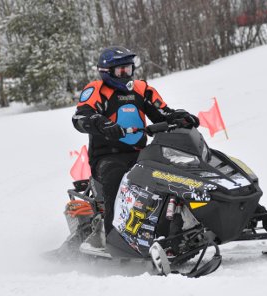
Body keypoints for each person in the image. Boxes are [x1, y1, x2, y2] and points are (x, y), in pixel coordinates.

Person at [72, 46, 200, 243]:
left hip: (141, 153)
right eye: (120, 71)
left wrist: (180, 117)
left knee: (176, 171)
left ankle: (180, 224)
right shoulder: (97, 90)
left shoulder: (142, 89)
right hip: (107, 157)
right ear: (106, 72)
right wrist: (101, 122)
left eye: (129, 69)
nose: (126, 74)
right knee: (117, 179)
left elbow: (162, 112)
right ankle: (115, 241)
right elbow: (81, 116)